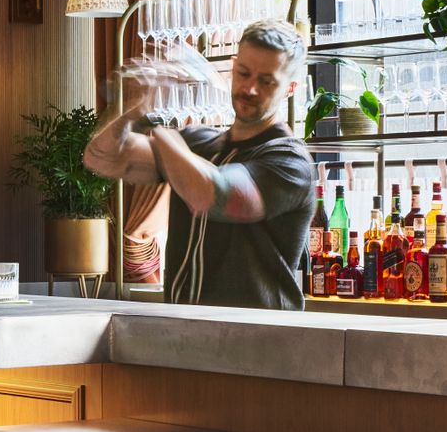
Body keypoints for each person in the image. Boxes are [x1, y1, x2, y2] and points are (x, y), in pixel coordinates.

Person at [84, 19, 316, 310]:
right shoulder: (198, 144)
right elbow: (100, 158)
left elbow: (212, 195)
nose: (250, 88)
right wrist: (134, 106)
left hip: (258, 333)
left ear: (291, 87)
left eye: (267, 81)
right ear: (233, 67)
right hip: (186, 327)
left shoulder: (290, 161)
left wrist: (155, 127)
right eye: (244, 73)